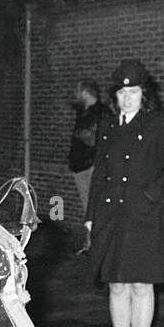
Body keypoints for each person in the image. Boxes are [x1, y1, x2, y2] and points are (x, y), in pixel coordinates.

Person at [84, 59, 164, 327]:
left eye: (134, 92)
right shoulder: (109, 126)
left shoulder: (159, 123)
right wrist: (90, 216)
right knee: (117, 285)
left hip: (144, 216)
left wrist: (151, 194)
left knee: (142, 285)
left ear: (145, 94)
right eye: (121, 92)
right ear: (115, 96)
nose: (127, 98)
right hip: (112, 216)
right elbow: (99, 173)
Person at [67, 79, 105, 255]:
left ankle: (95, 244)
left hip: (90, 165)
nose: (76, 95)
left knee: (93, 207)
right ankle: (91, 243)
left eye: (78, 91)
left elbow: (93, 140)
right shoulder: (86, 112)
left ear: (85, 93)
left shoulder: (99, 113)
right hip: (82, 165)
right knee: (88, 206)